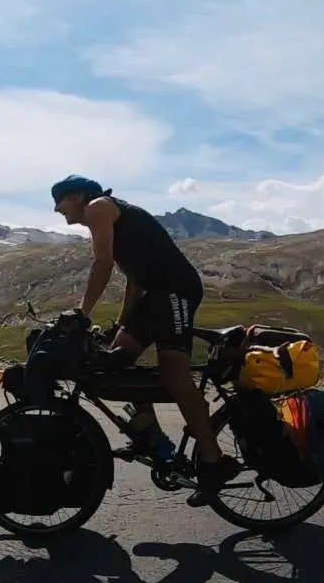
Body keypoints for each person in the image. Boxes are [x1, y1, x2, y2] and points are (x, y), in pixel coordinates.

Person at [50, 174, 242, 507]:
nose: (56, 208)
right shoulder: (113, 218)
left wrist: (82, 313)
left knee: (173, 373)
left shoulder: (98, 207)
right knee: (117, 360)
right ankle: (151, 438)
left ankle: (214, 462)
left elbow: (103, 263)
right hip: (153, 296)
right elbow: (134, 284)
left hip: (176, 292)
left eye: (60, 199)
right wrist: (119, 325)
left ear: (79, 196)